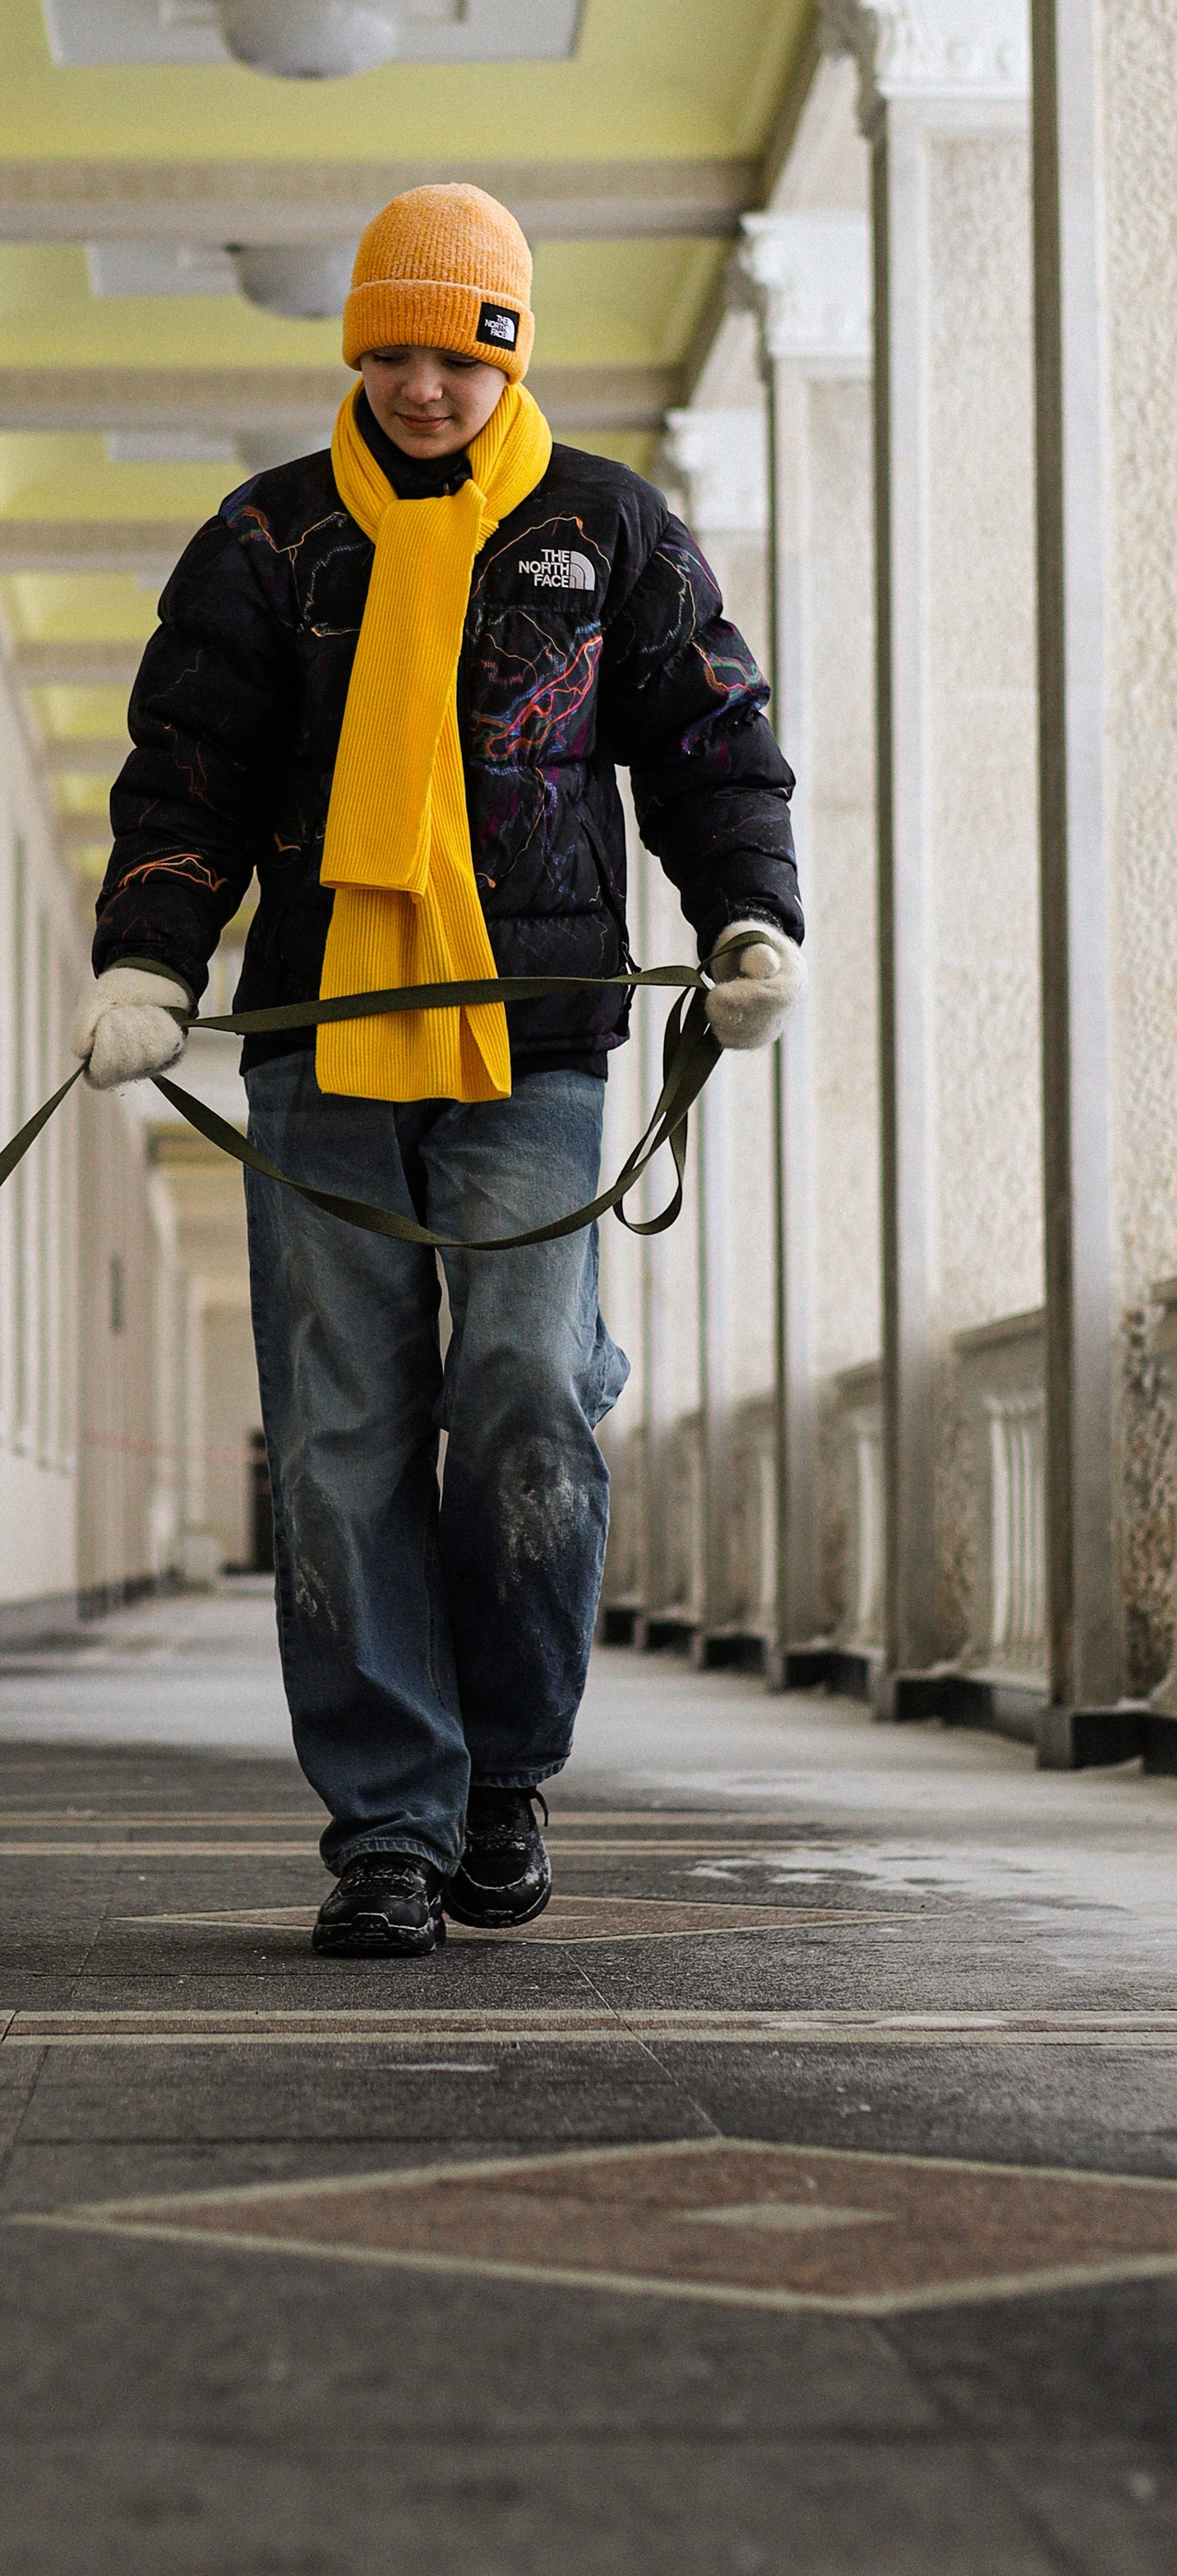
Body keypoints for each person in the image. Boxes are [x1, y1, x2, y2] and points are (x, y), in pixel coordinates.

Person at [72, 186, 804, 1958]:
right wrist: (149, 962)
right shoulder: (265, 540)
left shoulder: (605, 530)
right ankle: (389, 1821)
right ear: (354, 350)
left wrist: (748, 920)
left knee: (526, 1392)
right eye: (386, 351)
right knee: (335, 1444)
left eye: (452, 351)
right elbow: (189, 770)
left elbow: (710, 741)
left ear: (507, 346)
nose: (419, 386)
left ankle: (504, 1776)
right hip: (317, 1037)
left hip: (532, 1042)